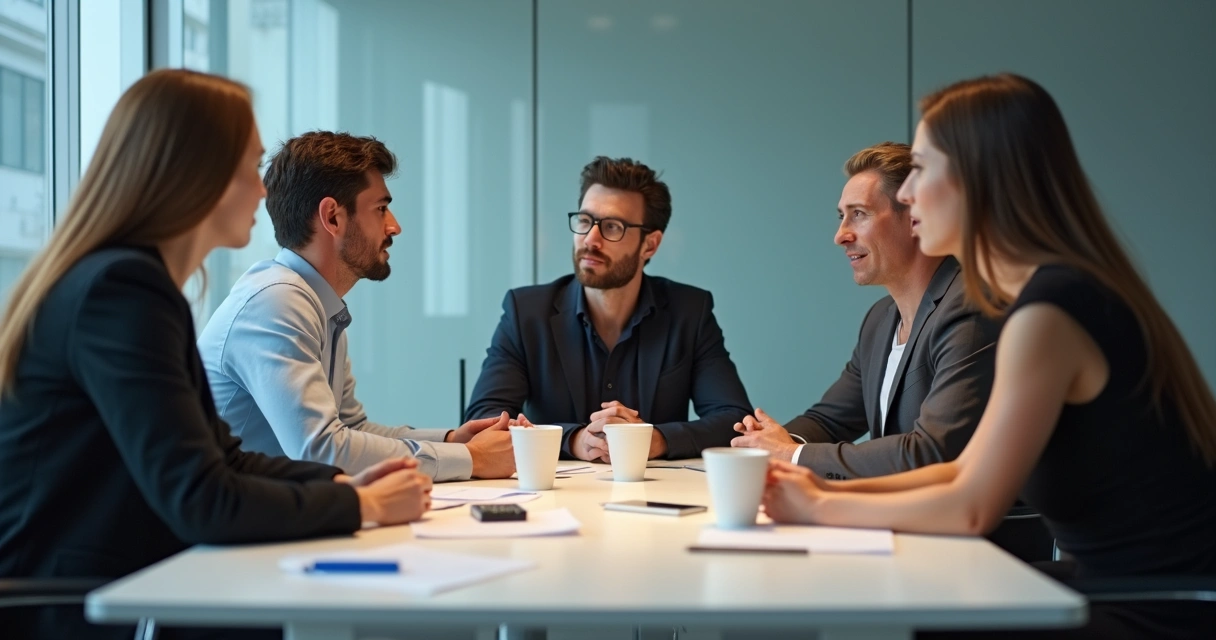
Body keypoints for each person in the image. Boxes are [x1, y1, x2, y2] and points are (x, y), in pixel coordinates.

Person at [762, 73, 1216, 639]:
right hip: (1127, 585)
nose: (905, 194)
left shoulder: (1049, 310)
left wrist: (821, 508)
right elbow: (962, 471)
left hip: (1163, 605)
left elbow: (972, 506)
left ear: (980, 178)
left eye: (922, 169)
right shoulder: (1055, 292)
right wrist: (824, 491)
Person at [0, 70, 431, 640]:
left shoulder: (135, 285)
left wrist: (344, 486)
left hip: (118, 581)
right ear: (192, 173)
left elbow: (224, 457)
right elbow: (200, 499)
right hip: (68, 606)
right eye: (249, 168)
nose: (262, 191)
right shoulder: (122, 292)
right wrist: (362, 507)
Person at [198, 132, 515, 482]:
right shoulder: (276, 301)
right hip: (234, 529)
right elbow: (321, 450)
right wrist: (470, 458)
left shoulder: (317, 303)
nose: (394, 225)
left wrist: (454, 440)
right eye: (381, 209)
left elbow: (351, 428)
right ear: (333, 217)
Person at [731, 143, 1000, 481]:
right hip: (896, 517)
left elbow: (931, 452)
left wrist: (791, 453)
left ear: (914, 217)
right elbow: (830, 421)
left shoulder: (971, 309)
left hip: (973, 533)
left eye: (859, 214)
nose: (840, 235)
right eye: (842, 216)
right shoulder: (880, 319)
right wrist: (764, 441)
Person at [465, 156, 752, 462]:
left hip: (653, 493)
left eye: (612, 227)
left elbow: (735, 421)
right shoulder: (526, 313)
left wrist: (654, 440)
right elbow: (487, 420)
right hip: (553, 497)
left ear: (650, 245)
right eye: (585, 221)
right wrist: (573, 439)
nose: (591, 239)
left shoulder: (689, 313)